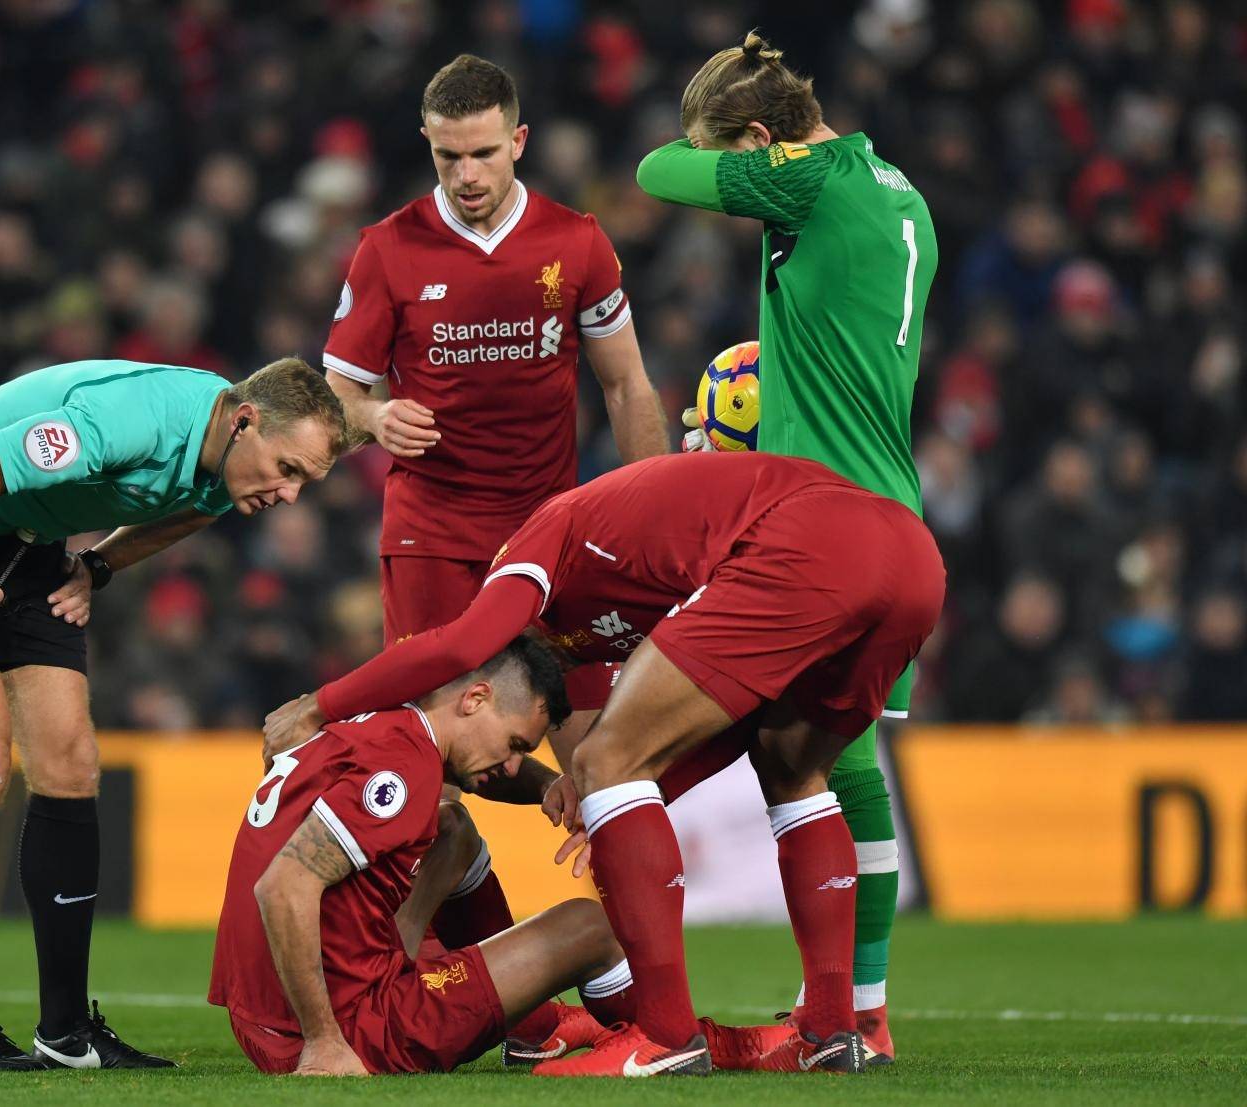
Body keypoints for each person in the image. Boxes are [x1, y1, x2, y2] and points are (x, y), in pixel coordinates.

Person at [266, 451, 946, 1075]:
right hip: (912, 560)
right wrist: (608, 793)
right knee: (792, 769)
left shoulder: (535, 546)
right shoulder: (634, 603)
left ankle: (665, 1038)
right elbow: (734, 726)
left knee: (609, 758)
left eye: (513, 748)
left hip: (811, 542)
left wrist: (323, 703)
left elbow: (460, 646)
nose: (505, 768)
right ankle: (829, 1031)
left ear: (483, 691)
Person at [0, 356, 344, 1072]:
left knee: (71, 766)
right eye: (287, 467)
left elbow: (184, 515)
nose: (290, 493)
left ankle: (67, 1029)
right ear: (244, 421)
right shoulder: (132, 420)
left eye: (304, 480)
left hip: (29, 542)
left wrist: (99, 566)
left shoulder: (228, 460)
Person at [321, 50, 668, 978]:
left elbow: (626, 383)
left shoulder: (577, 242)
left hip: (555, 542)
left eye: (482, 154)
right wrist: (371, 416)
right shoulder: (387, 249)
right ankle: (410, 977)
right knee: (425, 773)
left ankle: (647, 1003)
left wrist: (662, 522)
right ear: (427, 149)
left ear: (517, 141)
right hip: (432, 535)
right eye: (447, 159)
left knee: (605, 765)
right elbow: (336, 393)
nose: (466, 177)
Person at [638, 30, 940, 1061]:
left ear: (768, 142)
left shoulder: (809, 181)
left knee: (684, 744)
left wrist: (723, 140)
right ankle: (856, 1010)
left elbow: (656, 170)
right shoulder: (896, 190)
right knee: (834, 764)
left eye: (745, 159)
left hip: (826, 525)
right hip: (889, 509)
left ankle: (639, 990)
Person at [214, 636, 640, 1076]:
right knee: (590, 926)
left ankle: (524, 1026)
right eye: (515, 745)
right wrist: (324, 1043)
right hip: (343, 1032)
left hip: (260, 1019)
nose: (513, 765)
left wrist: (546, 786)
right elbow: (282, 887)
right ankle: (654, 1040)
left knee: (453, 831)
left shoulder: (376, 723)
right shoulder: (404, 765)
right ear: (475, 698)